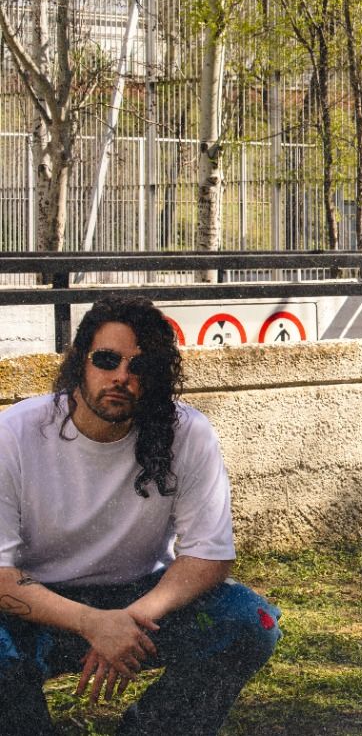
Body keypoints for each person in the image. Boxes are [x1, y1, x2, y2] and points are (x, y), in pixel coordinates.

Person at [0, 293, 281, 735]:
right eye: (107, 359)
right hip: (40, 608)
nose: (121, 377)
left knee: (250, 622)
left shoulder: (185, 433)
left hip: (142, 600)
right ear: (79, 362)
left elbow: (208, 555)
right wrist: (92, 623)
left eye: (140, 366)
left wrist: (126, 621)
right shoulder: (14, 434)